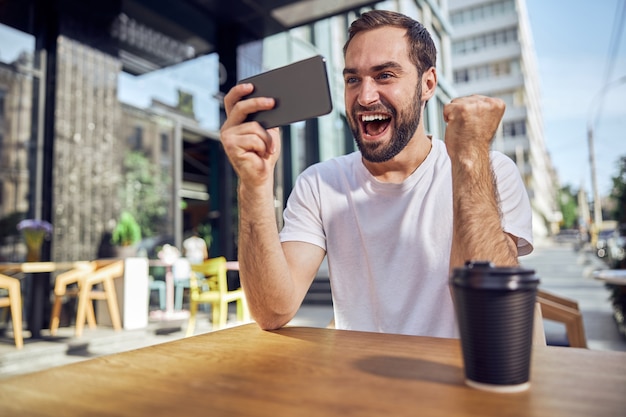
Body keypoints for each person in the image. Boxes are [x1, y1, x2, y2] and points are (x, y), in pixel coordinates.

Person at [219, 10, 533, 338]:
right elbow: (271, 311)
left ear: (427, 84)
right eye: (353, 79)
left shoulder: (490, 171)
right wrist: (254, 185)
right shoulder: (320, 183)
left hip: (459, 380)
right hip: (359, 382)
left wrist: (469, 161)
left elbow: (492, 314)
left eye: (384, 76)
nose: (365, 97)